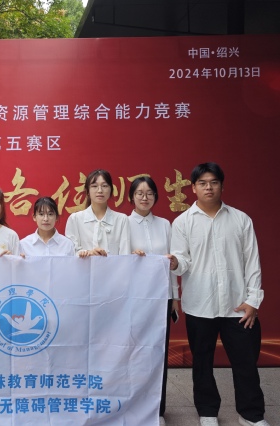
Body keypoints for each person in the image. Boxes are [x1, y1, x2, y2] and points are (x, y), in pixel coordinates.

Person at [170, 163, 269, 426]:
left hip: (238, 306)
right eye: (202, 183)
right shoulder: (182, 223)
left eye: (213, 182)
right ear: (193, 188)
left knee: (245, 362)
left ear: (222, 186)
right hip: (199, 304)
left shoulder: (240, 219)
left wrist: (253, 300)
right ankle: (207, 412)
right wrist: (175, 263)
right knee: (202, 362)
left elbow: (252, 262)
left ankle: (251, 415)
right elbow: (182, 260)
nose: (208, 187)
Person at [128, 176, 180, 426]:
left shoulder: (165, 224)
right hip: (135, 299)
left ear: (156, 197)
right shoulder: (124, 224)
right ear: (131, 197)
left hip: (161, 298)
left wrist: (175, 296)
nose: (144, 197)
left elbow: (171, 263)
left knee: (158, 353)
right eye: (139, 193)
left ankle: (157, 409)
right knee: (134, 353)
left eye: (149, 193)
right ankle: (133, 406)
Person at [65, 169, 131, 257]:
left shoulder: (121, 220)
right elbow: (70, 253)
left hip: (114, 266)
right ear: (87, 191)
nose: (100, 190)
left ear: (111, 190)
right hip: (85, 266)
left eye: (104, 186)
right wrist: (88, 253)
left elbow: (125, 255)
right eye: (94, 186)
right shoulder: (75, 219)